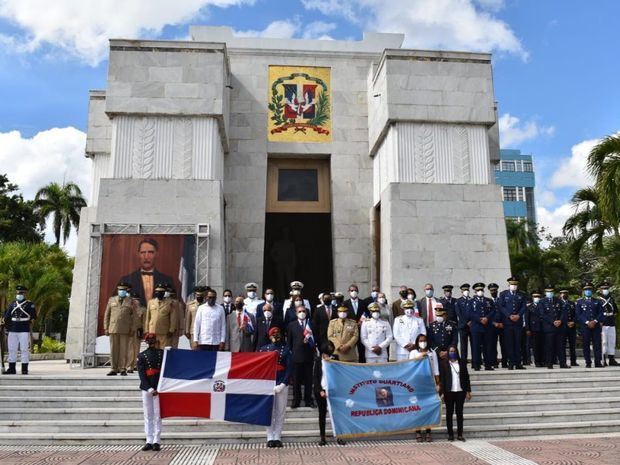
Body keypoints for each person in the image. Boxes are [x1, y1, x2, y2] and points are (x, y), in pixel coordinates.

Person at [259, 327, 291, 448]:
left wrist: (283, 383)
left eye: (278, 334)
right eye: (273, 334)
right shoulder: (263, 350)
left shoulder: (286, 350)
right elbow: (260, 368)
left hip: (281, 383)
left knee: (280, 411)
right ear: (269, 335)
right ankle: (269, 436)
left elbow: (289, 368)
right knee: (268, 411)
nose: (276, 336)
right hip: (268, 383)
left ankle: (277, 436)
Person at [121, 238, 174, 306]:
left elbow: (173, 308)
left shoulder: (167, 281)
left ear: (157, 254)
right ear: (138, 254)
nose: (146, 257)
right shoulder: (126, 280)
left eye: (150, 252)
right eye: (143, 252)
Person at [409, 333, 440, 442]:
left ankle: (428, 432)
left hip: (429, 383)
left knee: (428, 407)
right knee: (417, 408)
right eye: (421, 341)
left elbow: (436, 369)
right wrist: (420, 356)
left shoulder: (432, 353)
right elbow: (410, 365)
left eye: (424, 340)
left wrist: (438, 383)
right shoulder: (413, 352)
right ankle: (417, 431)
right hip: (417, 383)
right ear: (417, 342)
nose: (423, 343)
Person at [314, 341, 344, 446]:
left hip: (334, 390)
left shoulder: (335, 358)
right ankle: (323, 437)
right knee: (322, 414)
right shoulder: (318, 360)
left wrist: (331, 361)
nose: (328, 354)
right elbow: (316, 377)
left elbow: (339, 373)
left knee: (337, 414)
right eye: (327, 351)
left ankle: (339, 436)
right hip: (321, 391)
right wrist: (320, 390)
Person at [439, 345, 471, 442]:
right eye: (450, 351)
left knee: (459, 413)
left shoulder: (461, 363)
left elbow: (466, 377)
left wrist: (468, 391)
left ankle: (460, 434)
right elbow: (442, 380)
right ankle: (450, 434)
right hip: (449, 391)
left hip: (460, 391)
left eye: (454, 351)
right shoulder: (444, 363)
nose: (452, 353)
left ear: (457, 352)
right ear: (448, 353)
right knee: (449, 413)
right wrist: (442, 393)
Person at [137, 333, 163, 451]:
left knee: (157, 415)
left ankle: (156, 440)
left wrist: (157, 388)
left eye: (153, 340)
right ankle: (149, 440)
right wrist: (149, 388)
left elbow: (164, 370)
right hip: (147, 388)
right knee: (148, 415)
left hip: (158, 387)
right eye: (150, 340)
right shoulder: (142, 356)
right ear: (147, 342)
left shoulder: (161, 354)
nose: (151, 342)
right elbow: (142, 374)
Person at [2, 285, 36, 375]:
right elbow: (7, 316)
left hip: (24, 329)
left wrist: (29, 325)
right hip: (12, 329)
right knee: (12, 349)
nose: (19, 294)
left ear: (25, 294)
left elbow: (33, 317)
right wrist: (3, 322)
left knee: (24, 349)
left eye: (21, 293)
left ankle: (24, 369)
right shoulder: (13, 304)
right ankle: (11, 369)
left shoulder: (29, 304)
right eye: (17, 293)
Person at [287, 305, 316, 408]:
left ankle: (308, 400)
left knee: (308, 380)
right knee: (296, 380)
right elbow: (289, 343)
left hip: (309, 357)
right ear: (296, 313)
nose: (302, 313)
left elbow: (315, 339)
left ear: (307, 312)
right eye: (299, 311)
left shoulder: (311, 324)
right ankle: (296, 400)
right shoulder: (291, 325)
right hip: (296, 357)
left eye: (303, 311)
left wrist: (310, 342)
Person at [104, 282, 133, 376]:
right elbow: (107, 315)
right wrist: (106, 328)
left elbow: (134, 316)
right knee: (113, 350)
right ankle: (113, 368)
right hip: (113, 328)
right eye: (120, 290)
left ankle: (122, 369)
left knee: (123, 350)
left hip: (125, 329)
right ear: (118, 290)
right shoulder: (111, 300)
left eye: (123, 290)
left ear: (126, 291)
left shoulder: (130, 301)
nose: (122, 291)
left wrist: (132, 328)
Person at [497, 276, 527, 370]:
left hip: (518, 322)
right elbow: (501, 307)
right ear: (508, 285)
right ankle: (511, 362)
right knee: (509, 343)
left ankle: (518, 363)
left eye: (515, 284)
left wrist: (518, 315)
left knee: (518, 343)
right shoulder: (503, 294)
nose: (513, 286)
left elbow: (524, 306)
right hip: (508, 322)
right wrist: (509, 315)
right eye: (512, 284)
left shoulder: (522, 294)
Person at [539, 285, 569, 369]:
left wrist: (560, 320)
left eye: (551, 291)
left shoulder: (558, 300)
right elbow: (542, 314)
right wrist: (553, 321)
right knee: (549, 346)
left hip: (559, 327)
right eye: (548, 291)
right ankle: (549, 363)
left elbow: (563, 312)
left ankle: (563, 363)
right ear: (545, 292)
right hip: (549, 327)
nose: (550, 293)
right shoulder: (542, 301)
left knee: (561, 346)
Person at [467, 283, 496, 371]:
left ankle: (488, 364)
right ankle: (476, 364)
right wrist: (479, 319)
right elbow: (470, 313)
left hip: (487, 327)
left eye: (481, 290)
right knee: (476, 346)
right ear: (475, 291)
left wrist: (487, 317)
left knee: (487, 346)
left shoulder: (488, 300)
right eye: (478, 290)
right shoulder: (471, 301)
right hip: (476, 327)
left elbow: (493, 310)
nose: (480, 292)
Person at [576, 282, 604, 368]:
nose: (588, 291)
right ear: (583, 291)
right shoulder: (579, 302)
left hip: (595, 326)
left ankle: (598, 361)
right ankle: (588, 362)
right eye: (586, 290)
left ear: (592, 291)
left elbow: (602, 313)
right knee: (586, 344)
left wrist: (595, 321)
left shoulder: (597, 301)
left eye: (589, 289)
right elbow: (578, 314)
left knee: (597, 344)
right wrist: (587, 322)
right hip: (585, 327)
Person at [144, 284, 176, 349]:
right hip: (152, 331)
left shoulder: (170, 303)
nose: (159, 294)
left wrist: (171, 330)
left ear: (164, 293)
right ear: (155, 293)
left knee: (163, 350)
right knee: (153, 349)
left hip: (164, 331)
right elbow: (148, 317)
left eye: (161, 292)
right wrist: (146, 330)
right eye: (158, 292)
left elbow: (173, 318)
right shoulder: (151, 302)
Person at [344, 284, 368, 362]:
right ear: (349, 292)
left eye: (355, 290)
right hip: (350, 331)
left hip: (361, 329)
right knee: (350, 350)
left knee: (362, 351)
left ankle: (362, 367)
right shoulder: (345, 303)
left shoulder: (363, 302)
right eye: (352, 290)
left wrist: (361, 321)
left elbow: (366, 313)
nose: (353, 292)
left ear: (358, 291)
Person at [598, 282, 618, 366]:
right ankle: (603, 360)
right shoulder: (598, 300)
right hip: (603, 322)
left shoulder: (611, 299)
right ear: (600, 290)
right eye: (604, 288)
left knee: (612, 341)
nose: (605, 290)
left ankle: (611, 359)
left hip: (611, 321)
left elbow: (616, 311)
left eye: (606, 288)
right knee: (604, 341)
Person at [127, 291, 146, 373]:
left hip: (138, 330)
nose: (136, 301)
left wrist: (144, 332)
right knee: (129, 349)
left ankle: (135, 365)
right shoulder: (127, 309)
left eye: (137, 300)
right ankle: (128, 366)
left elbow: (145, 321)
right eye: (134, 300)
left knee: (136, 349)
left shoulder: (143, 309)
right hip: (128, 331)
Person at [488, 283, 506, 368]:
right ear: (489, 291)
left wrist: (502, 323)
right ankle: (494, 362)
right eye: (492, 290)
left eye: (495, 290)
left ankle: (505, 362)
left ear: (497, 290)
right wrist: (494, 323)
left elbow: (505, 312)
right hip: (492, 326)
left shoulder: (501, 300)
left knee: (504, 344)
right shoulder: (487, 301)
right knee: (492, 345)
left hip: (502, 325)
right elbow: (487, 314)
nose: (493, 291)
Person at [559, 288, 579, 366]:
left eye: (566, 293)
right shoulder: (558, 303)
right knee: (562, 345)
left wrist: (573, 321)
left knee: (572, 345)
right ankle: (563, 361)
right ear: (560, 294)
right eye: (562, 293)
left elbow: (576, 314)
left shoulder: (572, 303)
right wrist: (564, 322)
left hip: (571, 327)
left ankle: (573, 361)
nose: (564, 295)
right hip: (562, 326)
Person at [526, 292, 544, 367]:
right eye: (535, 297)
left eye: (538, 297)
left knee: (543, 345)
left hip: (543, 328)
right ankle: (537, 361)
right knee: (535, 346)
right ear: (533, 298)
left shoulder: (543, 306)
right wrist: (528, 329)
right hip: (534, 329)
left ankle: (543, 360)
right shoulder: (529, 307)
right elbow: (527, 319)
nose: (537, 298)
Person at [455, 284, 472, 363]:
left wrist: (471, 321)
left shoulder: (472, 300)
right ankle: (463, 361)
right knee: (463, 345)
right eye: (464, 290)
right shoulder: (458, 301)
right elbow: (459, 313)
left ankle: (475, 361)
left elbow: (475, 312)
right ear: (461, 291)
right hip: (463, 326)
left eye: (467, 290)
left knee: (474, 344)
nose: (466, 291)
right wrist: (466, 322)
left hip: (472, 325)